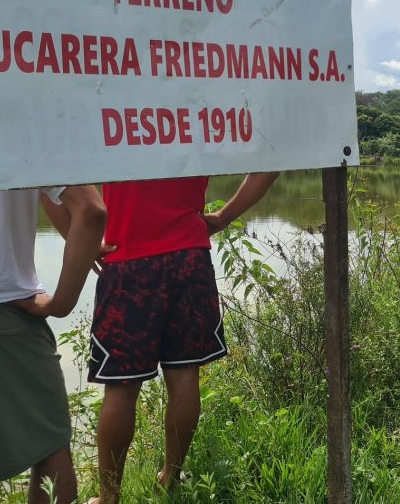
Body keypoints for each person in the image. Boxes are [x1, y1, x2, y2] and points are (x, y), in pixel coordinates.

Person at [90, 173, 279, 504]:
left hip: (128, 259)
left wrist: (80, 237)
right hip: (188, 258)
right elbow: (270, 165)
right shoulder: (194, 119)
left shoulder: (107, 119)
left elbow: (55, 183)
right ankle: (171, 477)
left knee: (121, 388)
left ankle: (109, 497)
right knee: (184, 377)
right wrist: (222, 217)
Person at [0, 185, 106, 504]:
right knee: (49, 455)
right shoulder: (24, 134)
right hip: (1, 309)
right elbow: (90, 209)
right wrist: (61, 303)